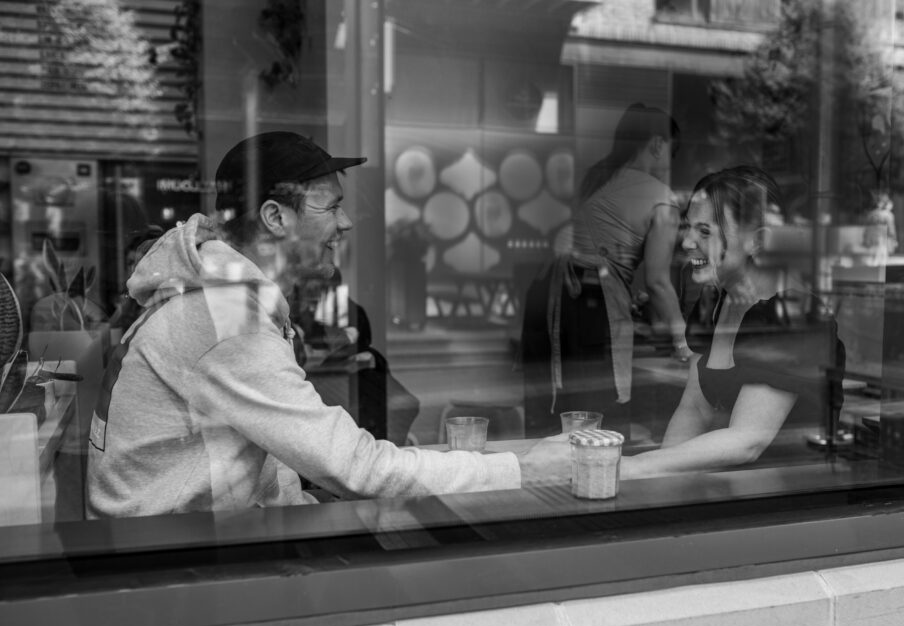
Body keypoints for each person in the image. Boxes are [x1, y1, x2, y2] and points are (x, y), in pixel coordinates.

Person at [87, 131, 567, 518]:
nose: (346, 222)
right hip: (174, 567)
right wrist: (526, 469)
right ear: (275, 217)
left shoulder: (218, 293)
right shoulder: (225, 315)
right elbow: (355, 469)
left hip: (190, 536)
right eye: (331, 206)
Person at [622, 166, 845, 477]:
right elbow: (694, 408)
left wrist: (635, 467)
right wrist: (661, 481)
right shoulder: (713, 302)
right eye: (688, 228)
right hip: (729, 493)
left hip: (791, 505)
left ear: (758, 242)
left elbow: (747, 441)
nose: (686, 243)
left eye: (704, 231)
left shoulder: (796, 316)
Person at [528, 102, 689, 437]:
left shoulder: (598, 178)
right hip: (587, 306)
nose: (667, 165)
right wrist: (681, 341)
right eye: (671, 153)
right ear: (658, 144)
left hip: (551, 298)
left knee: (562, 413)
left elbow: (594, 252)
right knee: (600, 419)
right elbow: (659, 282)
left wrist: (622, 294)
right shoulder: (661, 198)